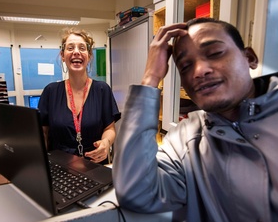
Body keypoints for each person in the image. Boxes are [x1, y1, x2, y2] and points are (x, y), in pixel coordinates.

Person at [113, 17, 278, 221]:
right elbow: (136, 192)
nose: (199, 71)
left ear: (250, 58)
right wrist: (150, 79)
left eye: (215, 53)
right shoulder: (184, 140)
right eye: (185, 66)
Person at [38, 28, 121, 164]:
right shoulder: (50, 92)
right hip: (59, 167)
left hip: (95, 165)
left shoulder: (102, 90)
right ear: (63, 56)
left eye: (82, 48)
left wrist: (106, 143)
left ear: (89, 56)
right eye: (70, 48)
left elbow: (109, 128)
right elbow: (43, 133)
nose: (76, 52)